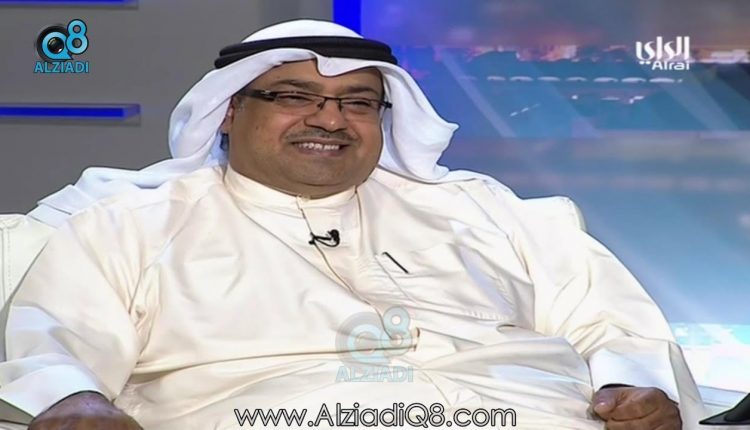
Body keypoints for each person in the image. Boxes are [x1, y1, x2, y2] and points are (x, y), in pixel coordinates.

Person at [0, 19, 703, 430]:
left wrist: (632, 384)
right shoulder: (132, 223)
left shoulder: (481, 208)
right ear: (230, 112)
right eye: (294, 96)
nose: (330, 119)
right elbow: (59, 343)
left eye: (358, 103)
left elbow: (611, 321)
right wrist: (75, 398)